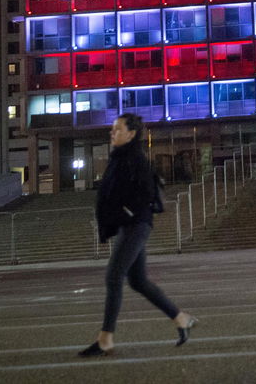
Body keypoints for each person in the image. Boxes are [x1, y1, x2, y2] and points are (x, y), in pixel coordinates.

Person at [79, 114, 197, 357]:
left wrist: (124, 213)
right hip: (129, 225)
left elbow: (145, 193)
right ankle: (181, 318)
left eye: (117, 129)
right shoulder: (120, 158)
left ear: (131, 134)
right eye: (112, 129)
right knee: (137, 281)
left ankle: (105, 339)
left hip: (136, 225)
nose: (112, 133)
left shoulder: (135, 158)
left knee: (114, 277)